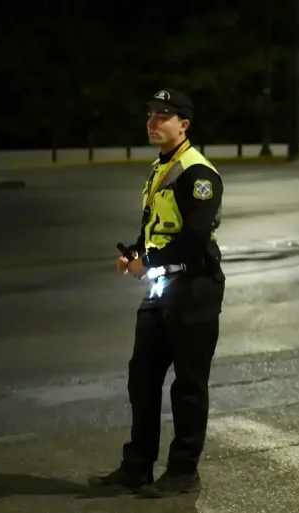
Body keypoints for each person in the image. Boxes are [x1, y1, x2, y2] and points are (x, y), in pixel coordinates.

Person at [89, 88, 225, 499]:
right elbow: (157, 226)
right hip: (162, 288)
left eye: (162, 116)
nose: (152, 122)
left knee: (188, 386)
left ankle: (183, 471)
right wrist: (135, 252)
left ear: (184, 124)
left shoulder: (198, 174)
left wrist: (147, 262)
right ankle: (137, 467)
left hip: (193, 287)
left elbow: (196, 238)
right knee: (142, 379)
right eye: (150, 114)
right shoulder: (161, 167)